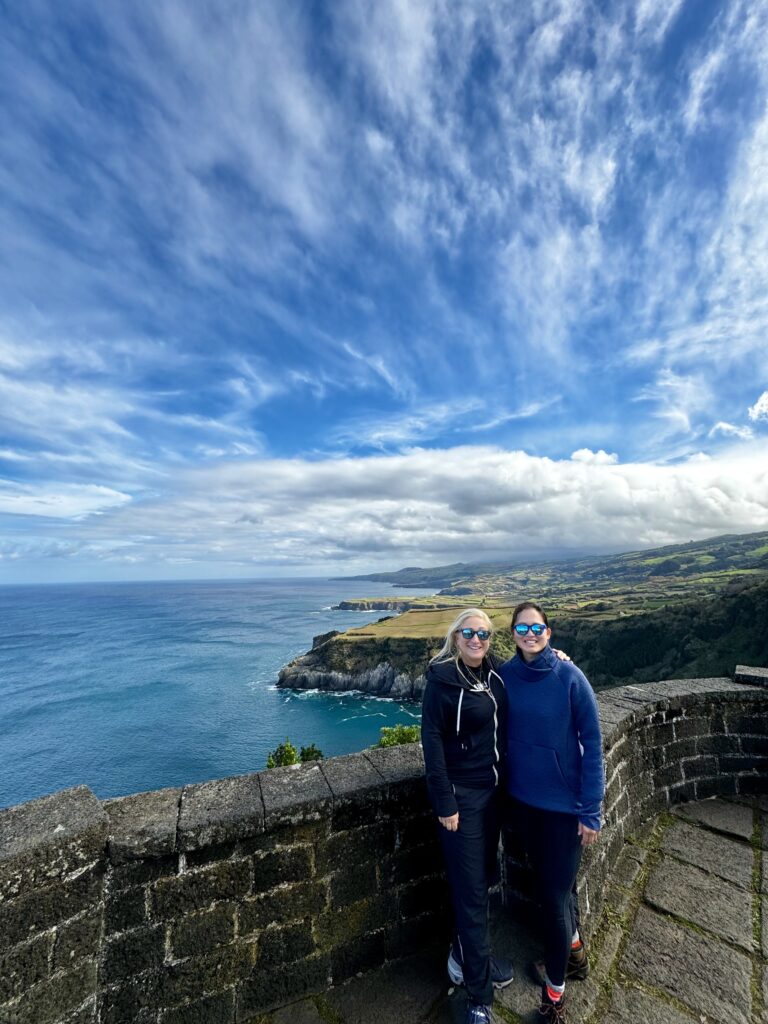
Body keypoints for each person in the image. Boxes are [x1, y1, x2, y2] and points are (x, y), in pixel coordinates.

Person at [500, 601, 604, 1023]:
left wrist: (590, 811)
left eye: (537, 627)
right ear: (513, 634)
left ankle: (554, 999)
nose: (530, 633)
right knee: (552, 891)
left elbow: (593, 744)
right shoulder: (504, 676)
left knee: (554, 898)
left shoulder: (570, 677)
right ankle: (574, 953)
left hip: (563, 810)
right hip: (523, 804)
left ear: (549, 632)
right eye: (522, 627)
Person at [421, 608, 513, 1024]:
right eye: (469, 633)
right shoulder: (441, 682)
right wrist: (445, 802)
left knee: (487, 878)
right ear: (455, 637)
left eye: (485, 634)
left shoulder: (492, 674)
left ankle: (467, 957)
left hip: (492, 795)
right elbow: (432, 743)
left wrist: (557, 657)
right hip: (462, 799)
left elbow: (526, 668)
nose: (478, 640)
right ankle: (479, 998)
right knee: (472, 893)